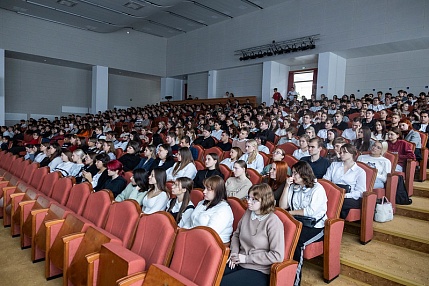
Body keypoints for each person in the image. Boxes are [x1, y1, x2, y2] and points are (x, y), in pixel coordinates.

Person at [221, 184, 284, 286]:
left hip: (258, 269)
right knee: (212, 276)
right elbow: (236, 235)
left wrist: (246, 258)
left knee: (223, 283)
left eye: (254, 199)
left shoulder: (273, 222)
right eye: (248, 197)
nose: (248, 202)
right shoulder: (249, 213)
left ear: (264, 201)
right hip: (238, 260)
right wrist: (234, 253)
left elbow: (277, 256)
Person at [279, 161, 327, 286]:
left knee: (296, 242)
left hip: (315, 227)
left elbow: (310, 212)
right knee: (278, 234)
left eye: (295, 173)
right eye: (292, 173)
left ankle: (295, 281)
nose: (292, 176)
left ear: (304, 173)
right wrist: (286, 187)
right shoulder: (294, 187)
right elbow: (283, 206)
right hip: (297, 223)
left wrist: (292, 213)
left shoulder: (317, 189)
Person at [183, 175, 233, 244]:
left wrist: (188, 236)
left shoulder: (224, 209)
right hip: (194, 238)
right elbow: (190, 220)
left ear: (217, 191)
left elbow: (210, 233)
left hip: (212, 244)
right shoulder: (202, 203)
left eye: (208, 189)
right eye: (204, 188)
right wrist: (183, 232)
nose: (204, 191)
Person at [323, 144, 366, 219]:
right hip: (333, 194)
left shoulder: (360, 171)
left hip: (349, 197)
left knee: (337, 202)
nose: (341, 154)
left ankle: (331, 222)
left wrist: (345, 195)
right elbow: (325, 180)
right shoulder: (334, 165)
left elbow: (360, 192)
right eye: (340, 152)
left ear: (352, 153)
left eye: (344, 152)